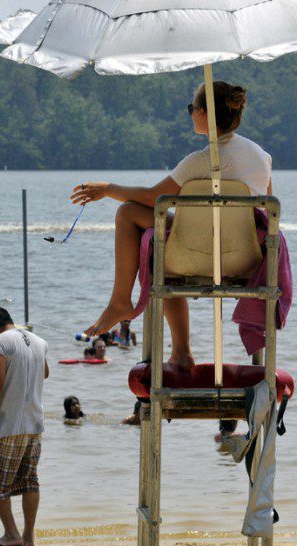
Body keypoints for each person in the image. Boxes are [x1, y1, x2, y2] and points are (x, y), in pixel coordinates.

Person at [70, 81, 271, 370]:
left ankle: (124, 303)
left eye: (192, 108)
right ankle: (178, 352)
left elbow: (154, 198)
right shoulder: (262, 157)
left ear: (203, 114)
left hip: (199, 255)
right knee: (160, 244)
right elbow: (265, 210)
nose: (190, 113)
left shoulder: (200, 162)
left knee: (129, 215)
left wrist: (108, 189)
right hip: (248, 259)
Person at [0, 307, 49, 546]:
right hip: (34, 423)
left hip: (6, 424)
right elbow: (46, 372)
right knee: (29, 480)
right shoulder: (39, 342)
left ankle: (11, 533)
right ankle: (28, 537)